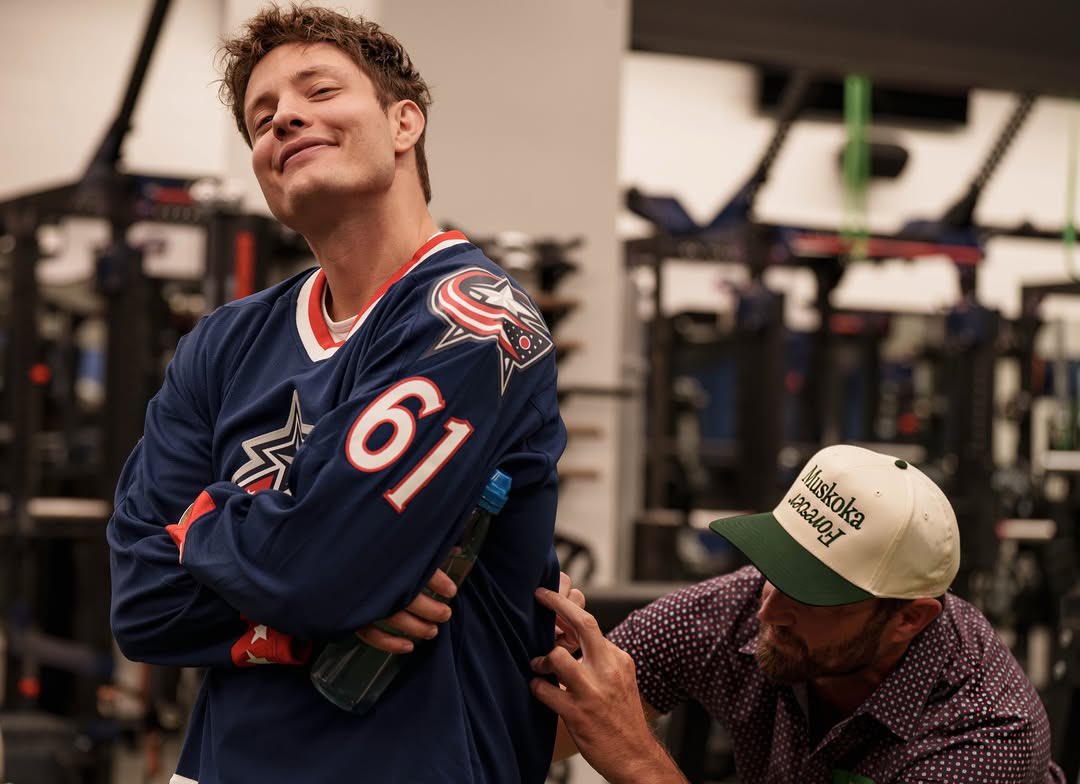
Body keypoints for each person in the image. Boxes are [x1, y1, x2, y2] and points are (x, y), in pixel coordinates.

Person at [105, 5, 565, 783]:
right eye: (262, 117)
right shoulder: (222, 342)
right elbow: (142, 604)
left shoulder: (473, 319)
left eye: (319, 91)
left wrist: (201, 524)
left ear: (404, 123)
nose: (285, 117)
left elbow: (320, 570)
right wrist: (305, 623)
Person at [529, 444, 1067, 783]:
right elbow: (540, 735)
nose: (771, 609)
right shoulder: (737, 610)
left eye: (812, 592)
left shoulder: (986, 736)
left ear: (909, 619)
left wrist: (639, 764)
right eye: (776, 566)